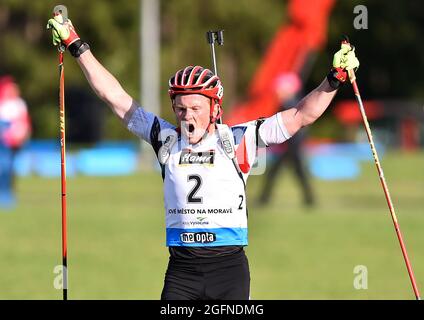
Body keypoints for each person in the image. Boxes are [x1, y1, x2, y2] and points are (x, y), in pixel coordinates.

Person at [47, 14, 359, 300]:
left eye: (196, 108)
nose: (188, 117)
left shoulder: (238, 140)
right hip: (182, 273)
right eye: (181, 109)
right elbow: (114, 97)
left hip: (229, 273)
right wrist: (76, 44)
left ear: (214, 109)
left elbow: (301, 115)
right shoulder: (165, 139)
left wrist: (334, 78)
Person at [258, 72, 315, 207]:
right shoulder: (292, 103)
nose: (277, 93)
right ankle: (309, 199)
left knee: (282, 172)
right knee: (297, 173)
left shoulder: (290, 105)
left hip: (292, 147)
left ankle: (264, 199)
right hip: (291, 146)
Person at [0, 76, 31, 208]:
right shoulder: (3, 104)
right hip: (4, 139)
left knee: (10, 168)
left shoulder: (19, 104)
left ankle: (8, 194)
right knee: (4, 166)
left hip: (15, 140)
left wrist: (23, 134)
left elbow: (24, 122)